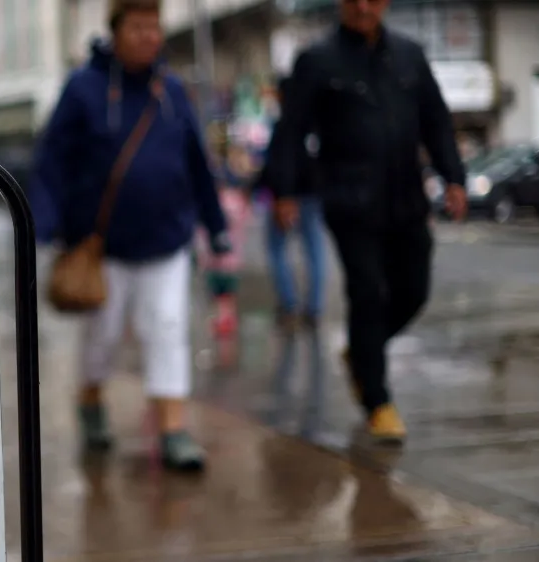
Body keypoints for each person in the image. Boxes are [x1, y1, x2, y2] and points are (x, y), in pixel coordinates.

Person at [30, 0, 229, 471]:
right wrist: (42, 223)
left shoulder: (172, 90)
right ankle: (91, 401)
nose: (148, 36)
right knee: (102, 337)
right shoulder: (83, 88)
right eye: (138, 27)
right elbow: (52, 161)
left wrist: (215, 225)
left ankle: (173, 430)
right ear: (116, 31)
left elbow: (197, 163)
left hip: (167, 240)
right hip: (104, 246)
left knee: (167, 329)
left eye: (154, 27)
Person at [267, 0, 467, 442]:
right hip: (349, 200)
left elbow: (435, 120)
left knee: (414, 290)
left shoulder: (409, 55)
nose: (362, 7)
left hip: (406, 198)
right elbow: (291, 131)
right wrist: (284, 190)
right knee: (368, 292)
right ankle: (377, 400)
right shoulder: (318, 60)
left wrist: (453, 176)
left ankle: (362, 350)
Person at [262, 77, 327, 332]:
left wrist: (283, 195)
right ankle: (313, 307)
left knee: (278, 250)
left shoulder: (287, 125)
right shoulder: (317, 125)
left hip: (289, 197)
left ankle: (290, 305)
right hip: (313, 196)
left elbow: (279, 163)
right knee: (315, 251)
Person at [196, 143, 253, 337]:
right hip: (232, 260)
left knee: (219, 294)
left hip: (215, 261)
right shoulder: (239, 204)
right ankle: (227, 319)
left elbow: (203, 230)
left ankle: (223, 319)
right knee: (227, 295)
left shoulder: (215, 206)